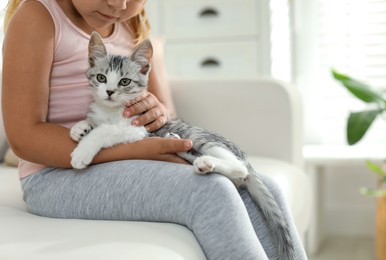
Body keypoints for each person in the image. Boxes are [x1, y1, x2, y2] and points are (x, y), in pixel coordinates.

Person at [2, 1, 307, 259]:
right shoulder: (38, 15)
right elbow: (24, 138)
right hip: (56, 176)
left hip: (126, 152)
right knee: (210, 192)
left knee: (264, 188)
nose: (119, 5)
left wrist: (156, 113)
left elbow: (161, 115)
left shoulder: (129, 25)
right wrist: (134, 151)